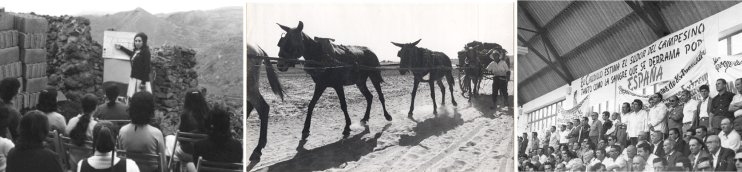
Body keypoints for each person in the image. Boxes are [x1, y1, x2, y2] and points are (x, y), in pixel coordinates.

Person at [118, 92, 166, 172]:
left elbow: (120, 158)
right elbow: (163, 165)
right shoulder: (156, 133)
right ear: (150, 109)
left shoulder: (123, 131)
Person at [165, 90, 210, 171]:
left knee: (168, 139)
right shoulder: (208, 114)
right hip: (204, 154)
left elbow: (180, 138)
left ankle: (171, 168)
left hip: (187, 154)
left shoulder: (185, 115)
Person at [65, 94, 100, 169]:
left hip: (72, 164)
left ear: (82, 106)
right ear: (96, 108)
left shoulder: (72, 121)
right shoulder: (96, 126)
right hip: (88, 167)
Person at [115, 32, 152, 98]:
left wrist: (143, 82)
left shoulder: (146, 52)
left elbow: (147, 68)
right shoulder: (137, 51)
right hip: (133, 78)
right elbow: (132, 54)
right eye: (135, 41)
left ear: (144, 41)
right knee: (132, 98)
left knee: (141, 99)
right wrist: (121, 48)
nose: (137, 42)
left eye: (139, 41)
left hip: (141, 80)